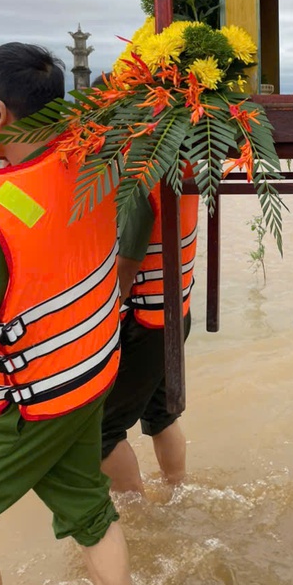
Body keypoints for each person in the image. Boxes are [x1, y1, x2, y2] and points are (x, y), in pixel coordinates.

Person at [0, 44, 136, 585]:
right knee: (90, 512)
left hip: (36, 403)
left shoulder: (2, 212)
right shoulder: (92, 165)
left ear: (0, 114)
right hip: (89, 380)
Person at [100, 174, 199, 495]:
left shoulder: (136, 173)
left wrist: (107, 318)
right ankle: (178, 492)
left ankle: (138, 514)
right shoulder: (175, 163)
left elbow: (127, 264)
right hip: (173, 314)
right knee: (160, 415)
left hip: (144, 323)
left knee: (104, 430)